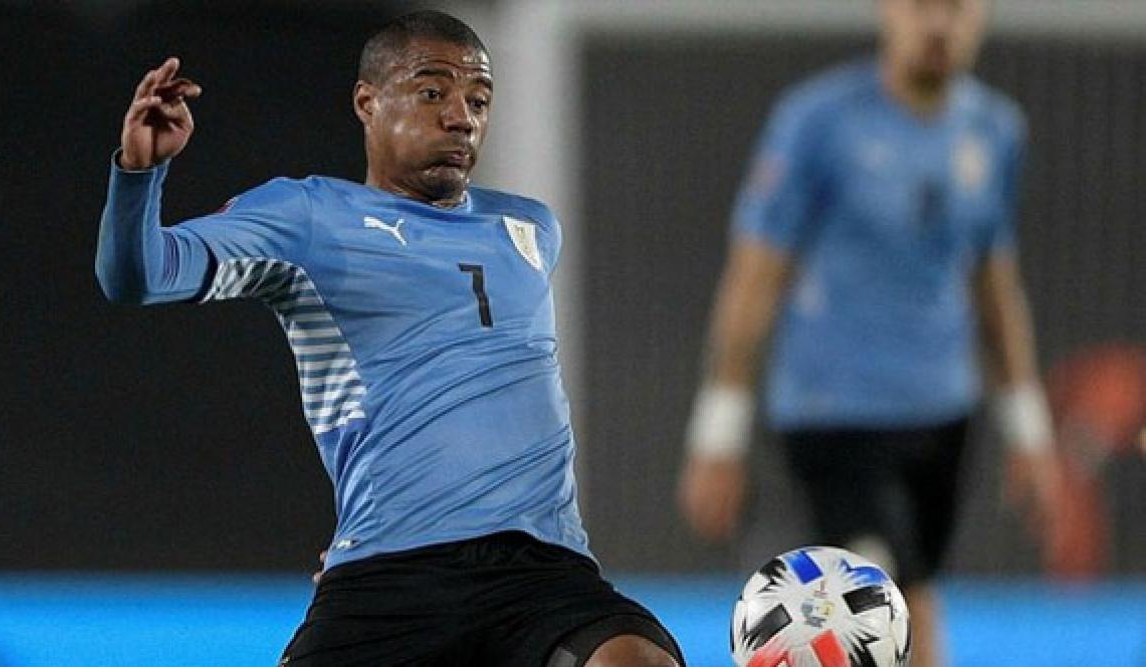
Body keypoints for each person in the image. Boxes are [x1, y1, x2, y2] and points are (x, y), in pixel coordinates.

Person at [96, 11, 682, 667]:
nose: (461, 118)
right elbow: (140, 276)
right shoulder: (307, 215)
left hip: (543, 573)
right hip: (389, 577)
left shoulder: (530, 228)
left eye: (478, 100)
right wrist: (139, 174)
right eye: (433, 92)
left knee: (636, 661)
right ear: (367, 102)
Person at [676, 1, 1057, 665]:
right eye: (921, 5)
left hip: (943, 412)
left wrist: (1029, 429)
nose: (938, 25)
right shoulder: (818, 123)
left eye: (956, 7)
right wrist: (719, 430)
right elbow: (754, 278)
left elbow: (994, 285)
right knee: (875, 609)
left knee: (916, 596)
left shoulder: (995, 130)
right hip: (835, 415)